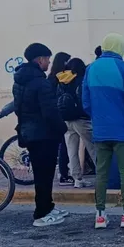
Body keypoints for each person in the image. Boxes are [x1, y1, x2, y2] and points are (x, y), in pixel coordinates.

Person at [82, 33, 124, 229]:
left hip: (101, 130)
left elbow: (85, 101)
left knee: (101, 173)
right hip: (123, 129)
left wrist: (98, 118)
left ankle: (100, 215)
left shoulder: (90, 69)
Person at [13, 43, 69, 227]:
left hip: (30, 133)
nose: (49, 63)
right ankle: (42, 213)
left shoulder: (20, 81)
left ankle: (48, 206)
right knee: (44, 175)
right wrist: (61, 128)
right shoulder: (41, 83)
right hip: (44, 135)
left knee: (41, 174)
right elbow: (50, 111)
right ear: (40, 60)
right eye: (47, 59)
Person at [56, 57, 96, 188]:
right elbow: (85, 99)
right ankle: (104, 176)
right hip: (82, 119)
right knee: (93, 147)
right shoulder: (82, 80)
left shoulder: (62, 80)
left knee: (71, 150)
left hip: (66, 119)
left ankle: (77, 178)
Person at [46, 53, 74, 186]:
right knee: (65, 145)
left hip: (56, 114)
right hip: (60, 115)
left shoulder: (51, 78)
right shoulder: (61, 78)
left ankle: (62, 172)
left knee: (63, 145)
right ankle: (63, 174)